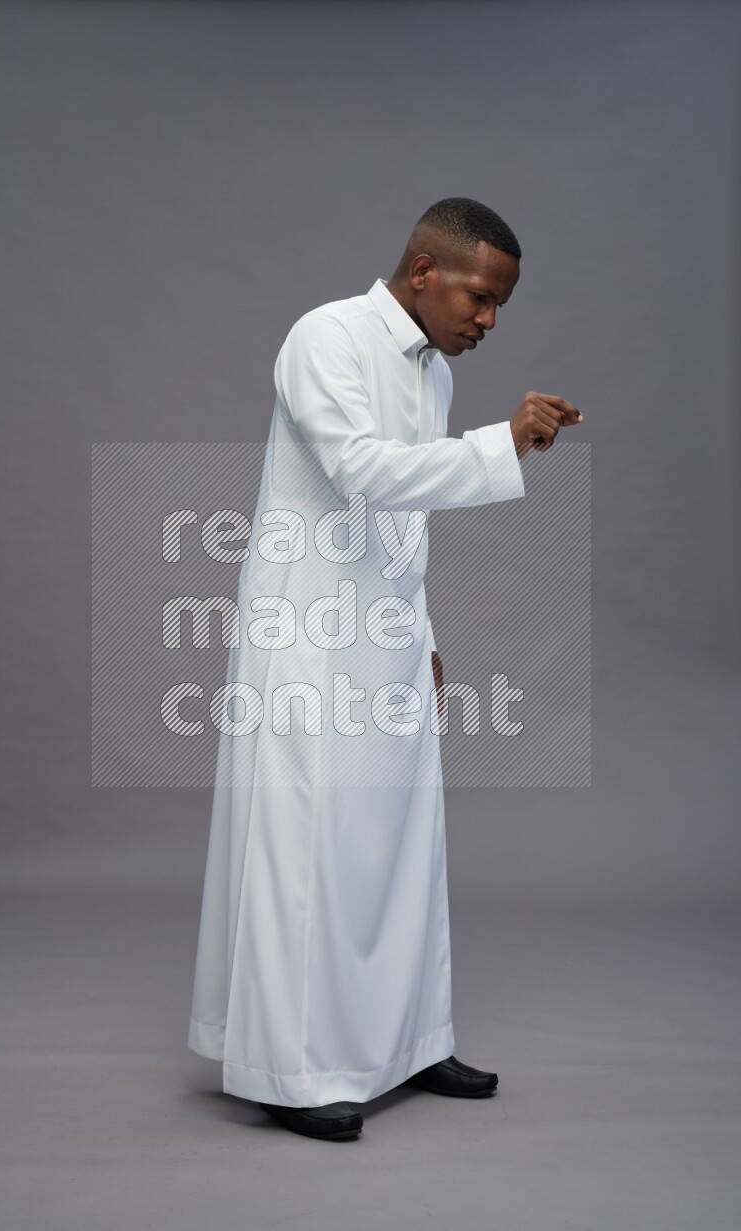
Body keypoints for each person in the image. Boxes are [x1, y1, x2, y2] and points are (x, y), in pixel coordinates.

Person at [188, 197, 583, 1141]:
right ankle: (290, 1071)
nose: (486, 321)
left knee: (405, 841)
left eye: (499, 308)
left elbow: (400, 524)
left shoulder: (434, 375)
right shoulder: (323, 337)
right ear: (421, 271)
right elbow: (361, 471)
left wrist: (422, 631)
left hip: (387, 636)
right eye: (479, 298)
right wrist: (505, 443)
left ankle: (410, 1039)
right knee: (306, 853)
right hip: (309, 639)